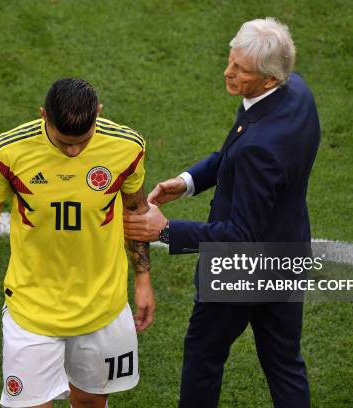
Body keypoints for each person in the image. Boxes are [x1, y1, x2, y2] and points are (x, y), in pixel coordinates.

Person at [124, 18, 320, 408]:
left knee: (204, 356)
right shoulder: (296, 92)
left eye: (240, 70)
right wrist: (189, 180)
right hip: (287, 254)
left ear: (267, 79)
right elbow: (237, 151)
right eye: (231, 61)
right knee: (284, 362)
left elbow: (241, 235)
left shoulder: (260, 147)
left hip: (240, 269)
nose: (228, 73)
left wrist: (164, 230)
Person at [0, 78, 155, 408]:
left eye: (83, 142)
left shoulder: (127, 148)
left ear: (99, 114)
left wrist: (144, 279)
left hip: (102, 306)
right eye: (64, 143)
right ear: (43, 115)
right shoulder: (8, 152)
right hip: (32, 309)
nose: (73, 151)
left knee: (91, 401)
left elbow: (135, 211)